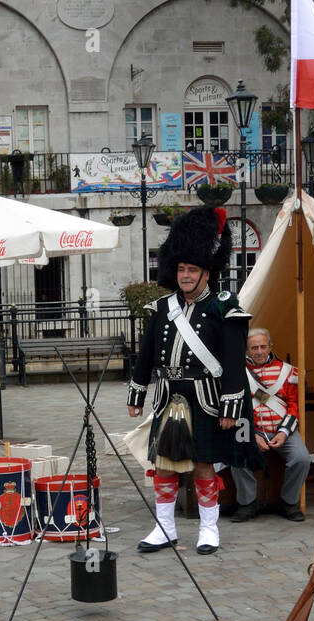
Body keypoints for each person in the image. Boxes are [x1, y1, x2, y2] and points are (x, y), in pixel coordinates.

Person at [128, 206, 249, 555]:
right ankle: (164, 527)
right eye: (180, 268)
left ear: (206, 272)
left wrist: (231, 406)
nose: (184, 275)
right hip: (168, 396)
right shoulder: (163, 308)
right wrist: (137, 394)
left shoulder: (223, 307)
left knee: (203, 465)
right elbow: (147, 353)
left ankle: (209, 528)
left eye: (191, 269)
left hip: (205, 397)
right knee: (164, 465)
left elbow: (232, 361)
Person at [229, 329, 309, 523]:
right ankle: (247, 504)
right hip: (249, 429)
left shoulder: (289, 372)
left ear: (270, 347)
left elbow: (294, 406)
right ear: (247, 350)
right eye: (254, 347)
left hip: (282, 429)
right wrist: (250, 435)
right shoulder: (236, 373)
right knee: (238, 457)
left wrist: (283, 432)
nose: (259, 351)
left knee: (302, 458)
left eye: (263, 346)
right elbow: (236, 407)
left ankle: (288, 502)